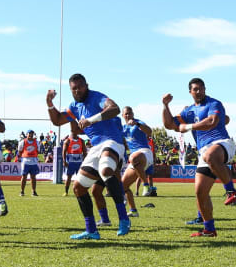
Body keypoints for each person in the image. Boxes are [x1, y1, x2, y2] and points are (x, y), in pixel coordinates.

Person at [46, 74, 132, 240]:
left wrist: (91, 120)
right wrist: (50, 103)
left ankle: (123, 218)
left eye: (80, 86)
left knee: (106, 169)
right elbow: (57, 120)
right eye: (74, 88)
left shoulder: (97, 97)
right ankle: (91, 230)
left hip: (112, 141)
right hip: (95, 147)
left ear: (87, 85)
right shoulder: (74, 106)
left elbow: (115, 109)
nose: (78, 90)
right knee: (78, 187)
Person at [162, 78, 236, 237]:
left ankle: (231, 191)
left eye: (201, 88)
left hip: (222, 143)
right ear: (190, 92)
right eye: (195, 89)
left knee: (210, 155)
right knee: (200, 193)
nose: (199, 91)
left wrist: (187, 126)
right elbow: (169, 124)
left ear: (205, 89)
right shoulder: (188, 111)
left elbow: (212, 121)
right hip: (204, 151)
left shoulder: (214, 104)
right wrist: (165, 106)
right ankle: (209, 229)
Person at [121, 106, 154, 217]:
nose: (128, 115)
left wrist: (137, 124)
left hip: (144, 153)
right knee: (123, 185)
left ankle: (146, 185)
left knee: (133, 158)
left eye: (129, 113)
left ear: (133, 114)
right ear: (122, 116)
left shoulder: (138, 123)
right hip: (135, 159)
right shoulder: (123, 128)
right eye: (125, 114)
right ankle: (133, 211)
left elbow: (150, 131)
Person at [18, 130, 40, 197]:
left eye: (32, 134)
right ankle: (22, 191)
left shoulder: (36, 142)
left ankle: (33, 191)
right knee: (24, 176)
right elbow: (19, 151)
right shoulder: (23, 142)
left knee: (33, 177)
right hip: (25, 161)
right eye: (29, 134)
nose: (30, 135)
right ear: (26, 134)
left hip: (33, 161)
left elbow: (38, 151)